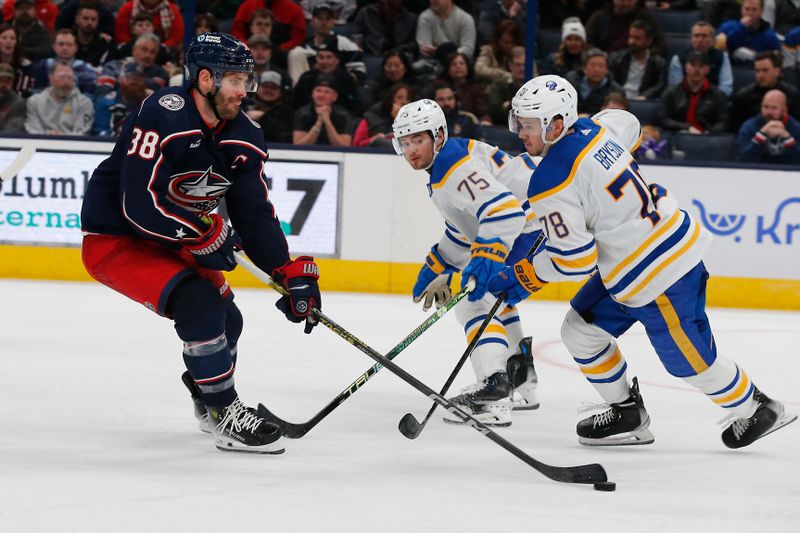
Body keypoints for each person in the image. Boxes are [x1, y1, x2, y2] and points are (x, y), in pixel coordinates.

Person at [487, 74, 797, 449]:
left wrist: (525, 274)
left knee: (689, 362)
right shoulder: (592, 128)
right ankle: (626, 413)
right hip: (634, 265)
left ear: (556, 124)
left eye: (528, 124)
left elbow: (575, 259)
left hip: (659, 274)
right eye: (517, 122)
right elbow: (626, 124)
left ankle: (758, 407)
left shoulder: (551, 180)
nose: (520, 131)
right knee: (580, 330)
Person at [80, 32, 322, 454]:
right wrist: (200, 232)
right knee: (201, 307)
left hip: (178, 239)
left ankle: (207, 401)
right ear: (205, 79)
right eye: (235, 80)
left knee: (230, 323)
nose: (244, 91)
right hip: (117, 239)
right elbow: (138, 203)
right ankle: (226, 412)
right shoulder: (163, 112)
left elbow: (253, 212)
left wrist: (284, 270)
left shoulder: (245, 135)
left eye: (247, 80)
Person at [390, 98, 541, 425]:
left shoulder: (452, 167)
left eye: (418, 139)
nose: (411, 149)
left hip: (532, 226)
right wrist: (440, 263)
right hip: (534, 223)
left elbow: (503, 213)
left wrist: (488, 254)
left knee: (474, 304)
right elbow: (467, 227)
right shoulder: (447, 162)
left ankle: (494, 395)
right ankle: (521, 380)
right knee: (497, 301)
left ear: (438, 135)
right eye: (405, 142)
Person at [729, 50, 800, 132]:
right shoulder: (743, 97)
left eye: (765, 70)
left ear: (777, 71)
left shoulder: (792, 94)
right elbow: (735, 130)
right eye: (757, 71)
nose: (760, 75)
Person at [661, 50, 730, 134]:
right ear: (686, 67)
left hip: (707, 139)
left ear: (707, 69)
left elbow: (723, 122)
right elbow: (664, 119)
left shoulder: (719, 95)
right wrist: (687, 127)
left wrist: (708, 133)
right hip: (679, 136)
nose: (696, 70)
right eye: (693, 65)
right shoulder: (671, 92)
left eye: (701, 66)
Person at [25, 61, 94, 135]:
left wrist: (63, 137)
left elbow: (82, 131)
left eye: (70, 77)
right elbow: (32, 129)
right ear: (51, 78)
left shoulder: (84, 102)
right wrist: (49, 135)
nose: (66, 81)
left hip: (72, 144)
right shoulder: (34, 101)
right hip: (40, 143)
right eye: (62, 77)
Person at [668, 21, 733, 96]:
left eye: (704, 36)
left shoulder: (722, 56)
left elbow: (726, 87)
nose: (700, 40)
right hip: (685, 102)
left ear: (712, 40)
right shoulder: (678, 58)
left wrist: (711, 101)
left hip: (714, 102)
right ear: (691, 39)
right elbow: (676, 88)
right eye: (696, 36)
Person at [608, 19, 667, 101]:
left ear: (648, 41)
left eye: (637, 38)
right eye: (631, 37)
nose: (632, 41)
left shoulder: (659, 63)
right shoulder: (617, 58)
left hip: (642, 102)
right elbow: (610, 79)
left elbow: (660, 85)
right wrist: (619, 93)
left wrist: (645, 96)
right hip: (619, 100)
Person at [738, 89, 800, 164]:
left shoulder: (796, 128)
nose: (769, 112)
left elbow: (797, 161)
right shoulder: (749, 127)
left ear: (784, 110)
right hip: (758, 172)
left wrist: (787, 137)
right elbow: (745, 160)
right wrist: (761, 134)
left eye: (774, 108)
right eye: (765, 107)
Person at [292, 73, 353, 146]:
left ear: (334, 96)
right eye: (318, 91)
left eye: (327, 92)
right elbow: (299, 146)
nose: (321, 95)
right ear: (313, 94)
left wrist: (327, 122)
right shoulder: (302, 113)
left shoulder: (343, 115)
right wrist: (319, 122)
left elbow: (344, 147)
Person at [716, 0, 780, 63]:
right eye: (747, 9)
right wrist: (741, 28)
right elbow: (723, 45)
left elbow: (776, 60)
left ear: (761, 12)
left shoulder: (770, 36)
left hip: (756, 70)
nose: (750, 13)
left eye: (754, 10)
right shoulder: (727, 27)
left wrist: (756, 56)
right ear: (741, 10)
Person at [351, 82, 411, 147]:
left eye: (408, 99)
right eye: (399, 97)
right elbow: (356, 144)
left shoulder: (415, 121)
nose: (404, 102)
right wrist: (372, 140)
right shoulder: (371, 118)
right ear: (390, 100)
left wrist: (398, 120)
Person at [566, 48, 624, 116]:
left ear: (607, 70)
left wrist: (589, 117)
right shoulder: (570, 81)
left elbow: (617, 116)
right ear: (584, 68)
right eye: (592, 65)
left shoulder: (616, 90)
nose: (596, 70)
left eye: (601, 66)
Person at [114, 0, 185, 50]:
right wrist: (135, 49)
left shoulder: (172, 9)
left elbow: (176, 37)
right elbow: (121, 35)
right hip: (130, 50)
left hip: (163, 50)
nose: (144, 27)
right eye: (140, 25)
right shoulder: (127, 8)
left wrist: (159, 49)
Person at [0, 62, 26, 132]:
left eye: (8, 81)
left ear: (12, 82)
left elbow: (14, 128)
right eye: (1, 80)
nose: (3, 84)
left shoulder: (19, 103)